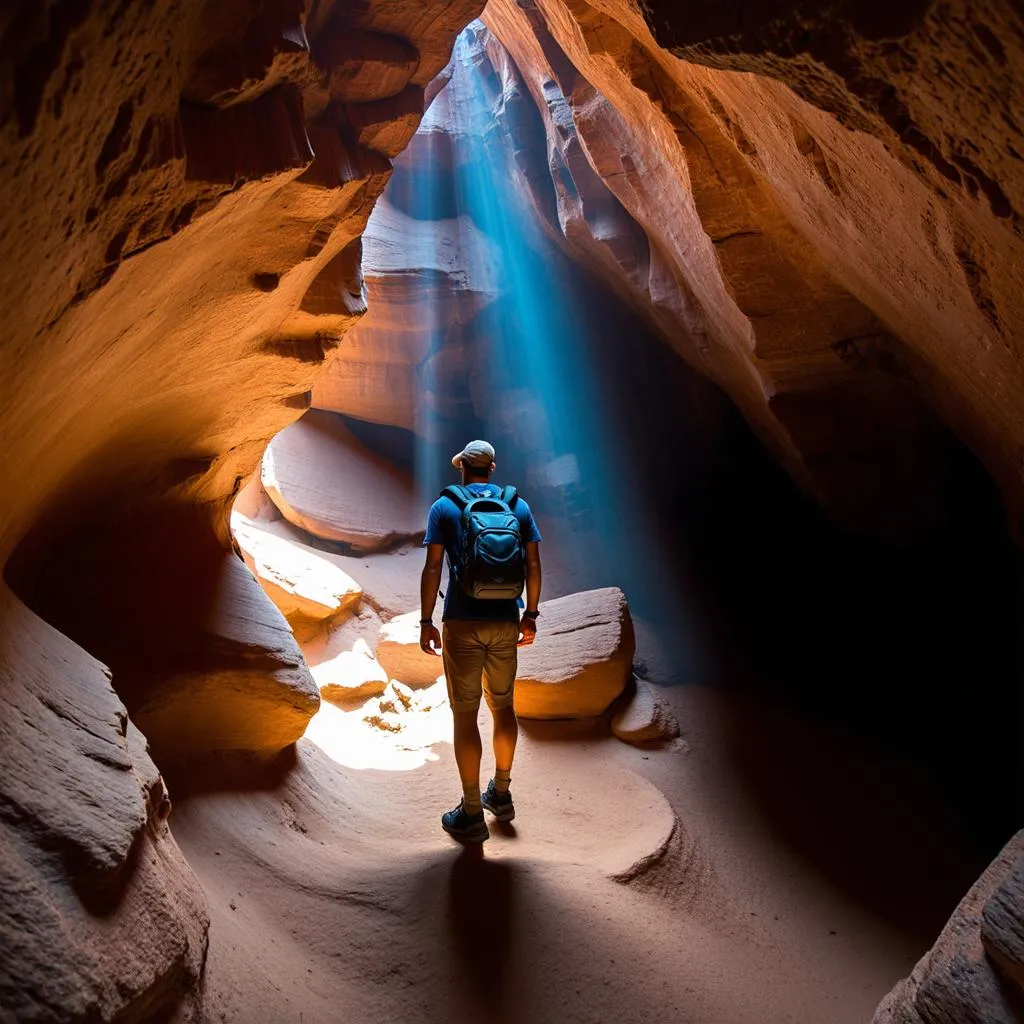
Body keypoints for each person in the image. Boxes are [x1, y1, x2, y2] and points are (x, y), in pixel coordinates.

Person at [420, 439, 542, 843]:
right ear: (491, 469)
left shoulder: (445, 507)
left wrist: (426, 620)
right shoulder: (517, 506)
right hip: (505, 621)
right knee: (504, 706)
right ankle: (502, 794)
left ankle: (471, 812)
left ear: (462, 470)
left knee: (465, 714)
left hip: (462, 621)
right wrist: (531, 616)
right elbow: (534, 564)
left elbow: (434, 565)